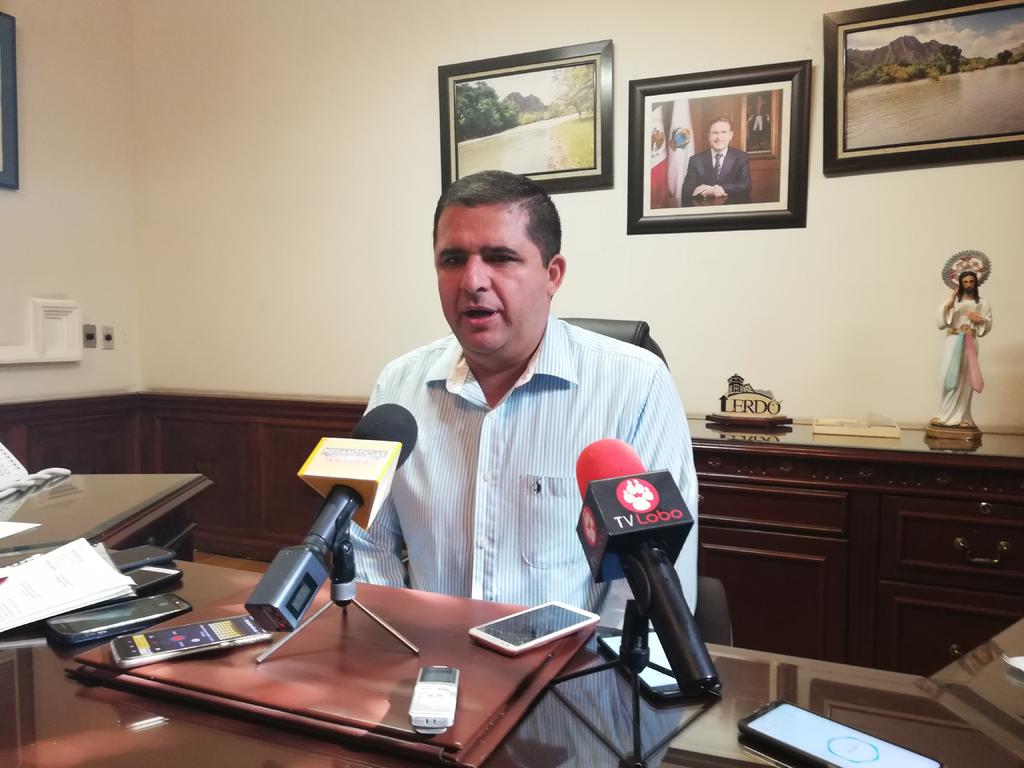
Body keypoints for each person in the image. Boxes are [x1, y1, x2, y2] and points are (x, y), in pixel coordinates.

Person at [351, 170, 699, 623]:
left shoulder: (636, 384)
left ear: (552, 274)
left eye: (500, 258)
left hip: (575, 664)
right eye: (453, 259)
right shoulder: (397, 385)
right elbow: (367, 543)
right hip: (426, 656)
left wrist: (601, 667)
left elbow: (654, 584)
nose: (472, 281)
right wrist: (394, 645)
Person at [930, 269, 993, 430]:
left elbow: (987, 322)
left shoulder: (982, 303)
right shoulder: (954, 301)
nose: (968, 284)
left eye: (971, 281)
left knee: (965, 376)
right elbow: (941, 321)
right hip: (953, 340)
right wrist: (951, 299)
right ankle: (943, 414)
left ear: (976, 283)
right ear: (960, 283)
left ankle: (963, 416)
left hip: (970, 340)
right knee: (949, 374)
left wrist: (979, 319)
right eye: (965, 282)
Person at [679, 116, 751, 204]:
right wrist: (707, 191)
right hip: (704, 209)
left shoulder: (741, 157)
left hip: (731, 208)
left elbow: (745, 186)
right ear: (709, 136)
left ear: (730, 135)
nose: (719, 137)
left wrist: (717, 189)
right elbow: (687, 189)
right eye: (715, 133)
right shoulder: (696, 160)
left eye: (724, 132)